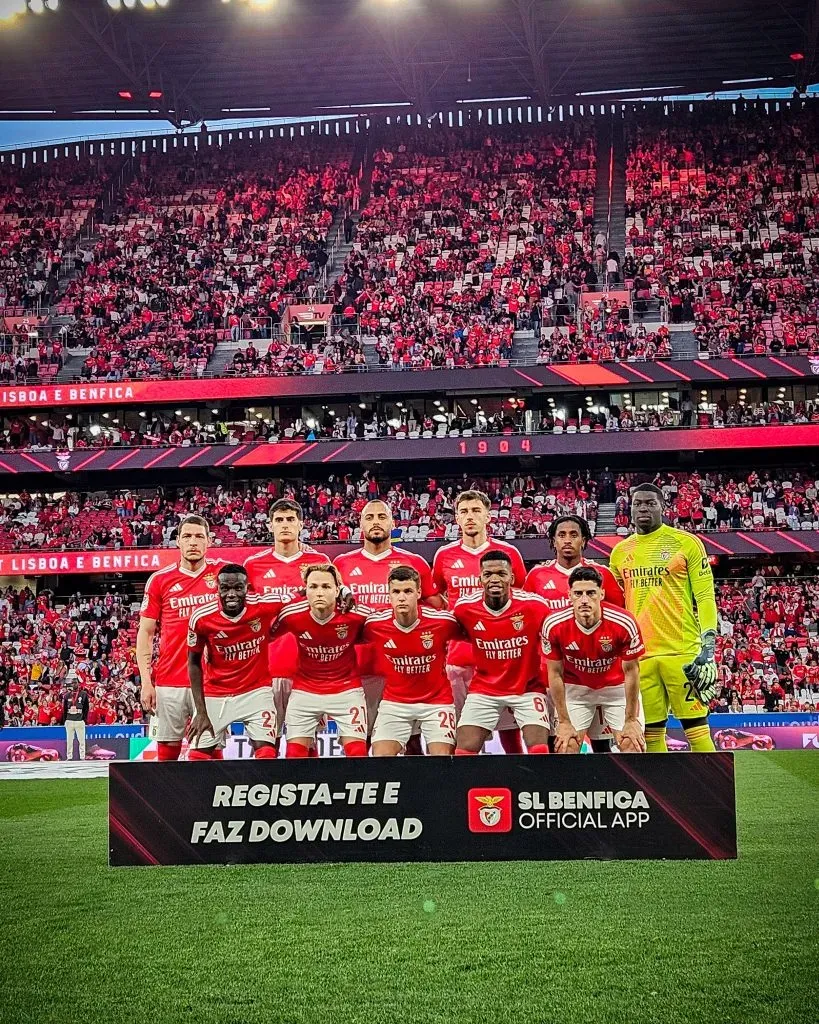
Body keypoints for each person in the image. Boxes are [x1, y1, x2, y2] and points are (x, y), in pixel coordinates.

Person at [609, 483, 719, 753]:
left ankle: (716, 794)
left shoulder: (686, 542)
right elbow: (615, 606)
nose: (643, 508)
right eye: (637, 504)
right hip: (639, 656)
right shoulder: (620, 552)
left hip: (681, 652)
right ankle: (662, 795)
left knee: (696, 729)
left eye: (650, 503)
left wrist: (709, 644)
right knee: (651, 734)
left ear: (663, 507)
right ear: (630, 509)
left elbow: (704, 596)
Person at [334, 499, 442, 748]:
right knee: (362, 739)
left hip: (404, 667)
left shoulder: (413, 562)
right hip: (357, 667)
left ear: (393, 522)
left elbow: (437, 609)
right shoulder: (341, 564)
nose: (375, 522)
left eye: (381, 517)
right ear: (360, 524)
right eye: (369, 517)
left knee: (413, 741)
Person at [433, 489, 527, 753]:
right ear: (456, 518)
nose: (470, 517)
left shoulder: (508, 552)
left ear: (488, 515)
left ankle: (518, 781)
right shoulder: (444, 555)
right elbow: (434, 595)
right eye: (463, 512)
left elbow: (521, 597)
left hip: (502, 657)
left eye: (475, 511)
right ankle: (464, 788)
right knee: (463, 732)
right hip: (459, 657)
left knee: (510, 733)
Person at [137, 515, 225, 761]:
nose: (193, 542)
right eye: (187, 536)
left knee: (210, 748)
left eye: (199, 536)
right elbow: (146, 632)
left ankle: (211, 799)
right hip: (169, 680)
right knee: (167, 751)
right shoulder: (160, 580)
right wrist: (146, 681)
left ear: (209, 542)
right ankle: (166, 800)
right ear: (177, 541)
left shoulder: (222, 575)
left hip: (212, 681)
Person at [244, 499, 330, 748]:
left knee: (305, 745)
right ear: (270, 525)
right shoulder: (253, 565)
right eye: (279, 520)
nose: (285, 525)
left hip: (308, 671)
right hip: (264, 671)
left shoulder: (319, 562)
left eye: (290, 519)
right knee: (264, 745)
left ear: (301, 524)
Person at [452, 551, 551, 755]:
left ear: (511, 578)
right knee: (463, 751)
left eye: (501, 573)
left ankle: (530, 786)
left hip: (528, 688)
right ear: (480, 579)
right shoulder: (464, 608)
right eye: (488, 574)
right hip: (485, 689)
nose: (494, 579)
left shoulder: (535, 606)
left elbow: (556, 635)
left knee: (540, 749)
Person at [542, 566, 646, 754]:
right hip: (576, 690)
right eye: (578, 593)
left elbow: (632, 672)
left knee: (632, 743)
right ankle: (575, 784)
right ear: (569, 595)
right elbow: (555, 673)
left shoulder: (624, 622)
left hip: (617, 688)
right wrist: (564, 722)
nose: (584, 600)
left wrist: (631, 720)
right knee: (567, 746)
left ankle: (631, 784)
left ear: (602, 593)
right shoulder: (554, 624)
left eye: (590, 593)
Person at [271, 564, 370, 758]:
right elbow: (264, 636)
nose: (319, 592)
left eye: (326, 587)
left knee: (358, 753)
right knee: (294, 755)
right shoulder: (291, 615)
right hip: (305, 691)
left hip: (347, 690)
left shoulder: (358, 614)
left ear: (337, 589)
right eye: (313, 587)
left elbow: (382, 629)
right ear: (305, 590)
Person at [187, 564, 285, 759]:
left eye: (238, 588)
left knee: (267, 753)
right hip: (217, 693)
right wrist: (200, 711)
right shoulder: (201, 618)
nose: (231, 594)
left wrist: (342, 589)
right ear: (217, 589)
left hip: (256, 691)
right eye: (225, 588)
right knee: (197, 758)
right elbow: (193, 662)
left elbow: (303, 594)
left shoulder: (265, 605)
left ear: (247, 588)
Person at [364, 565, 461, 756]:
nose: (402, 597)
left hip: (437, 702)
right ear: (389, 595)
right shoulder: (373, 624)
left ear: (418, 593)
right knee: (380, 757)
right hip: (395, 702)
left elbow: (472, 636)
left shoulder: (443, 622)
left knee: (442, 759)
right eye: (396, 592)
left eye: (408, 591)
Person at [525, 515, 624, 612]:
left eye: (573, 535)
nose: (567, 541)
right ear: (554, 541)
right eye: (562, 535)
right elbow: (526, 612)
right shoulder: (536, 575)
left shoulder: (602, 573)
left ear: (583, 541)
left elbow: (619, 612)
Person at [62, 681, 89, 760]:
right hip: (69, 720)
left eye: (76, 683)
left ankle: (82, 756)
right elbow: (64, 709)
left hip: (79, 720)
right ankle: (69, 756)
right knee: (69, 740)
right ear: (71, 685)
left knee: (82, 740)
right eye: (73, 683)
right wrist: (65, 720)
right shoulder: (67, 695)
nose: (74, 685)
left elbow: (86, 707)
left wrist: (84, 719)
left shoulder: (83, 694)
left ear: (78, 684)